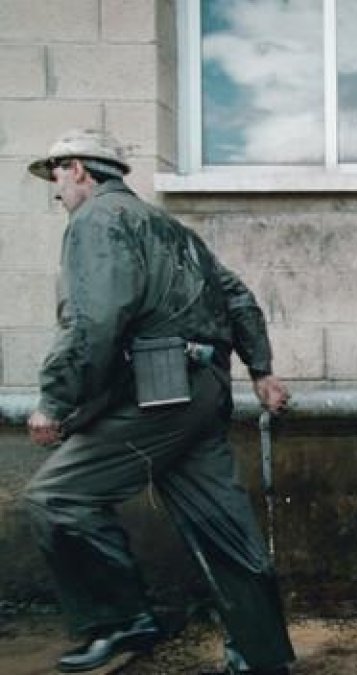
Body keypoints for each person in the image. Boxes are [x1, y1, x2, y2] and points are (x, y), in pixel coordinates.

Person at [21, 129, 295, 675]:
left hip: (158, 390)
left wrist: (55, 400)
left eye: (55, 173)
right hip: (203, 390)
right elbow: (237, 296)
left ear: (78, 168)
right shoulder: (174, 230)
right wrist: (260, 370)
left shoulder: (97, 221)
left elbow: (93, 321)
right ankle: (261, 656)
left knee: (56, 497)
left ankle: (121, 621)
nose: (54, 190)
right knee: (222, 525)